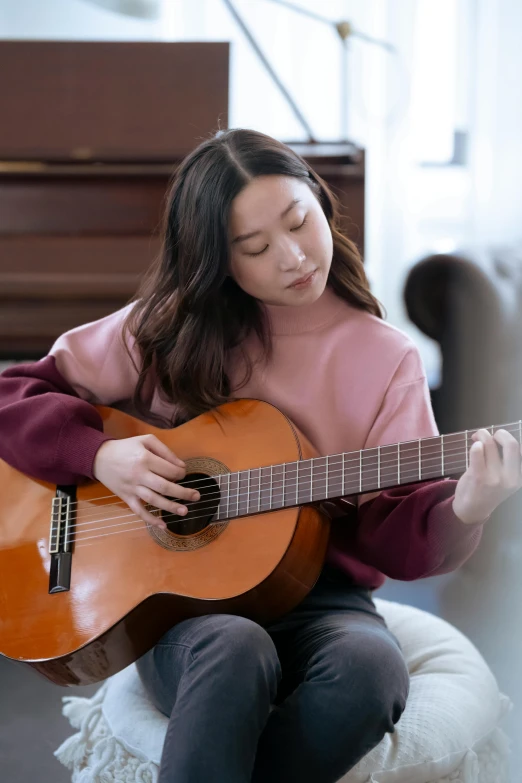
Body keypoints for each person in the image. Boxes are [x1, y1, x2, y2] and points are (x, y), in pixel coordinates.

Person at [0, 129, 520, 783]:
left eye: (300, 221)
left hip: (320, 599)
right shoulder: (165, 326)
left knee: (370, 670)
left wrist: (467, 505)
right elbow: (13, 393)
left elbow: (395, 536)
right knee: (234, 645)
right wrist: (100, 455)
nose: (294, 256)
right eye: (255, 247)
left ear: (322, 204)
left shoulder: (388, 357)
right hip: (185, 612)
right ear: (218, 259)